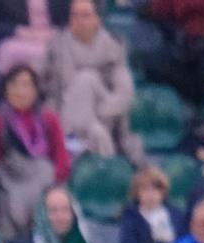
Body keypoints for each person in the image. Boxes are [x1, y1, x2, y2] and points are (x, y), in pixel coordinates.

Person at [43, 0, 142, 165]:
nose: (79, 20)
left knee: (87, 79)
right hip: (62, 116)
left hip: (104, 120)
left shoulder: (113, 48)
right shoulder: (57, 44)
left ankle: (84, 146)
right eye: (74, 15)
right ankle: (86, 147)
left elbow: (124, 94)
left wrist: (91, 116)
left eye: (85, 15)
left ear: (98, 20)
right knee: (85, 82)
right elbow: (36, 78)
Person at [0, 66, 70, 238]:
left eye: (26, 85)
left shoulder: (49, 118)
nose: (20, 91)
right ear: (6, 89)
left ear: (35, 90)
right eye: (14, 85)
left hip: (45, 179)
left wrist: (51, 183)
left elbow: (61, 158)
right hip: (12, 179)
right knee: (7, 203)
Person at [113, 166, 184, 243]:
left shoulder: (175, 213)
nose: (150, 195)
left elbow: (183, 240)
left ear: (163, 192)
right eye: (145, 190)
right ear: (137, 193)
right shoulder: (130, 215)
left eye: (155, 190)